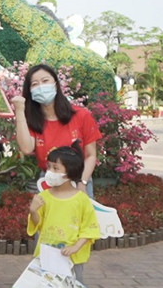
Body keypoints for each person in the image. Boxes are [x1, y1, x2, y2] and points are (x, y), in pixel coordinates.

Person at [26, 142, 101, 288]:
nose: (50, 172)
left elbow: (90, 227)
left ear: (70, 173)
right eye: (49, 167)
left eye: (55, 168)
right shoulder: (44, 197)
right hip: (47, 255)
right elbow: (37, 224)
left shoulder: (81, 200)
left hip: (71, 258)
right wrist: (33, 210)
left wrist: (77, 246)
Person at [11, 63, 101, 197]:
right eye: (35, 84)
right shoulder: (32, 121)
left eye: (45, 81)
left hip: (79, 179)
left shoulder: (81, 115)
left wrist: (82, 183)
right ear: (29, 90)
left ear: (55, 84)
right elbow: (26, 148)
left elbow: (90, 155)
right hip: (49, 180)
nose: (41, 86)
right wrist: (19, 111)